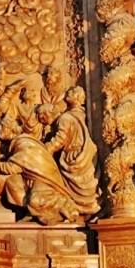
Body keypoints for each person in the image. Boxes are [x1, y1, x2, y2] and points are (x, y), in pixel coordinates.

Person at [44, 86, 99, 216]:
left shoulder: (66, 117)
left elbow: (60, 139)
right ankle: (89, 207)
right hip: (86, 154)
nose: (68, 93)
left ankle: (78, 208)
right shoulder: (85, 115)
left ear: (78, 98)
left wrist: (45, 150)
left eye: (72, 93)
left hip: (73, 156)